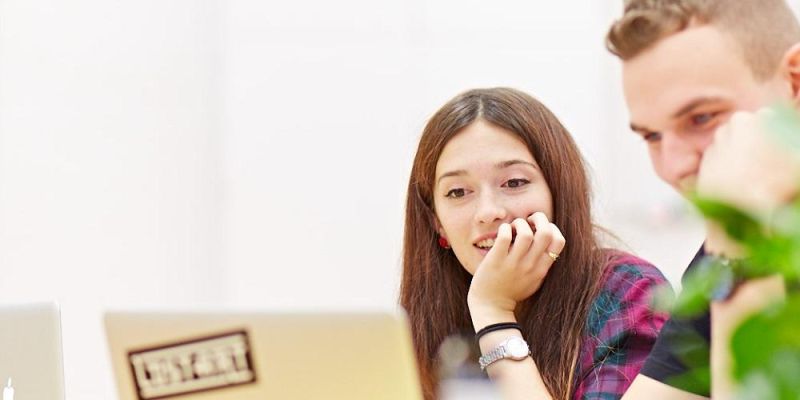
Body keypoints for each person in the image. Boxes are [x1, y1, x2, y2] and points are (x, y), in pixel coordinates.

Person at [399, 87, 671, 400]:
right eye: (458, 192)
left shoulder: (628, 291)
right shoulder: (427, 315)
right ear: (436, 221)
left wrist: (493, 313)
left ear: (559, 194)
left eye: (514, 183)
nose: (488, 212)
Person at [605, 0, 800, 398]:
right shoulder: (733, 241)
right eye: (652, 136)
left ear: (795, 82)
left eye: (701, 118)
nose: (673, 167)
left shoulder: (737, 237)